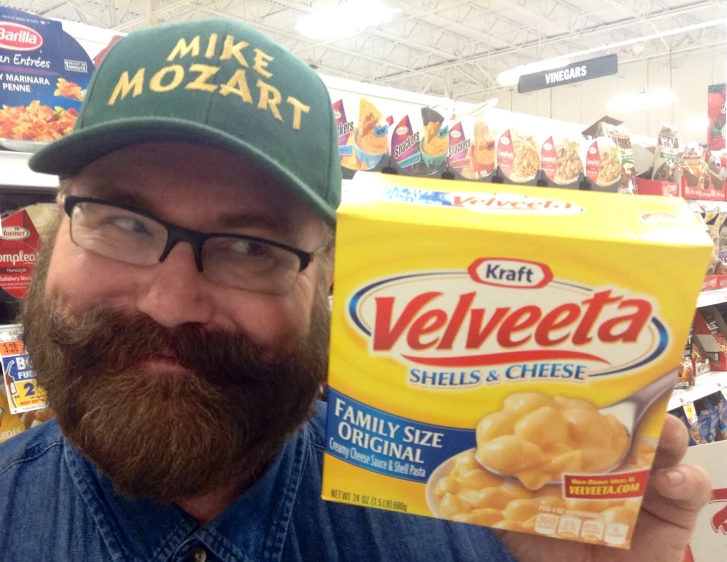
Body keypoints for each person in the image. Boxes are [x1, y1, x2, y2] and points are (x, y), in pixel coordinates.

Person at [0, 18, 710, 562]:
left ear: (329, 279)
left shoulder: (465, 527)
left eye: (252, 247)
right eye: (120, 221)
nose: (171, 301)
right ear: (57, 218)